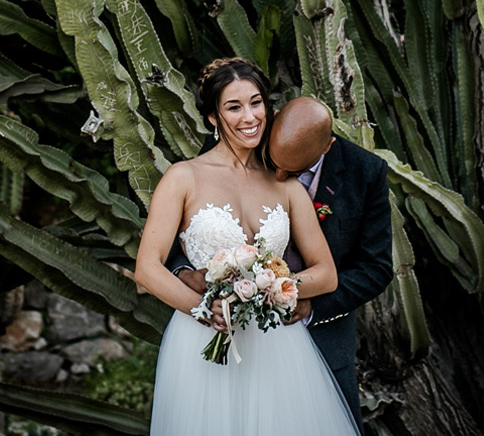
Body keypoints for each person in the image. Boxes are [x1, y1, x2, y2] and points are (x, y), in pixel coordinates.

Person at [134, 59, 360, 435]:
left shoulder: (287, 187)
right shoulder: (183, 177)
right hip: (203, 339)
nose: (249, 117)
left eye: (256, 103)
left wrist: (272, 287)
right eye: (234, 107)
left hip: (279, 345)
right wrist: (205, 309)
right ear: (212, 117)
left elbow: (325, 273)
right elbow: (148, 267)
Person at [169, 94, 393, 430]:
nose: (278, 175)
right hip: (233, 343)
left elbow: (376, 267)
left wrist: (309, 303)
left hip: (324, 340)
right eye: (274, 163)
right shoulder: (235, 148)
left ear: (326, 148)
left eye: (292, 170)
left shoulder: (366, 171)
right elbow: (190, 226)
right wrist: (185, 273)